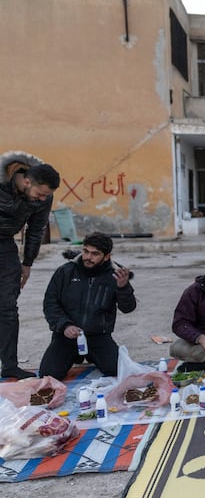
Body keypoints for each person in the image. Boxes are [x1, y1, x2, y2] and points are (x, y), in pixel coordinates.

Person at [39, 233, 136, 379]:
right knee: (48, 375)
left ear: (106, 256)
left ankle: (93, 356)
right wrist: (65, 326)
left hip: (98, 336)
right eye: (86, 251)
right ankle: (74, 356)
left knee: (118, 370)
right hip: (66, 335)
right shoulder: (65, 272)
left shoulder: (115, 276)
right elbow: (50, 304)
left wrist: (123, 288)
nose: (88, 257)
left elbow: (128, 308)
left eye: (95, 254)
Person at [0, 154, 61, 379]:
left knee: (7, 306)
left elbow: (36, 229)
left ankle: (9, 366)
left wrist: (27, 264)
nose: (41, 200)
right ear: (27, 182)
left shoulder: (43, 197)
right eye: (39, 194)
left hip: (4, 242)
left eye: (46, 196)